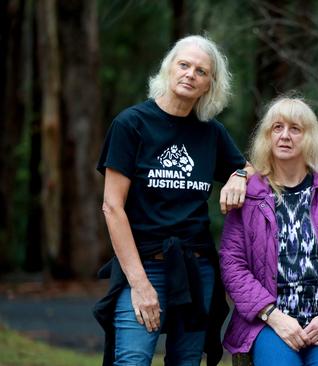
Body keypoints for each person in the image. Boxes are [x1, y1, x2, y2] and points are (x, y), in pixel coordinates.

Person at [94, 35, 252, 366]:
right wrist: (139, 284)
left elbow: (251, 170)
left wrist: (239, 176)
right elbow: (112, 207)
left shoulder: (211, 132)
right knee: (132, 359)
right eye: (184, 65)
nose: (190, 74)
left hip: (197, 266)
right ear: (169, 68)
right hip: (143, 263)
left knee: (187, 361)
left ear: (210, 84)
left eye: (201, 71)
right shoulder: (131, 124)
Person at [219, 97, 318, 366]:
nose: (284, 136)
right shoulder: (249, 194)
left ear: (309, 137)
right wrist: (273, 315)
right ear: (267, 137)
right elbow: (232, 264)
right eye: (277, 128)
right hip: (269, 323)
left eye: (295, 128)